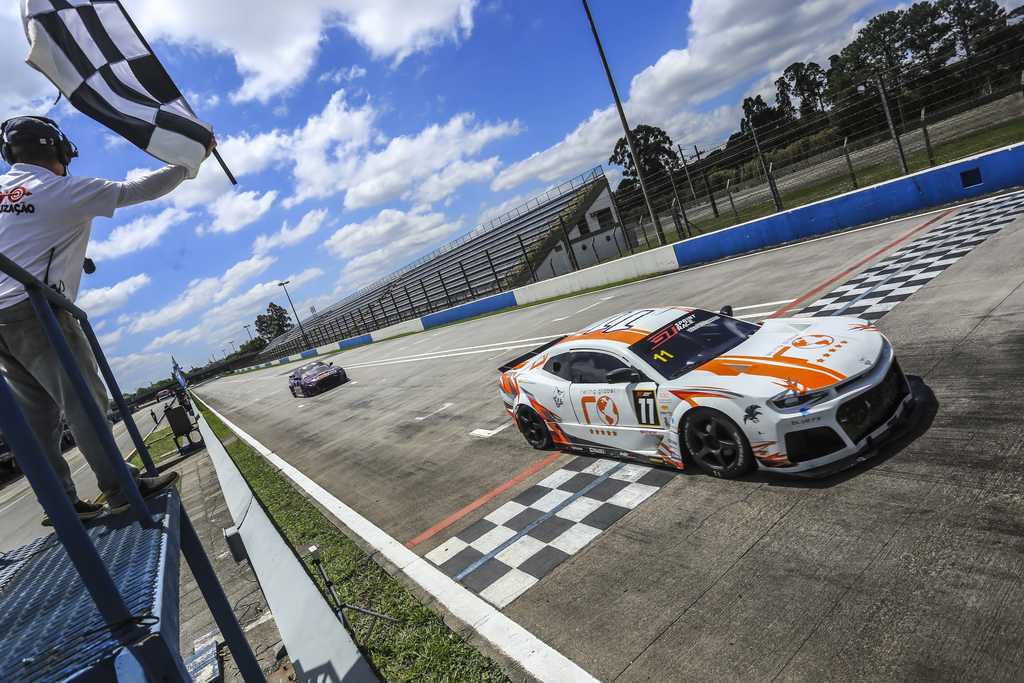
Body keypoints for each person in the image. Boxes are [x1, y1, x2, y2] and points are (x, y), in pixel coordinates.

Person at [0, 116, 213, 525]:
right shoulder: (60, 189)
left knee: (37, 420)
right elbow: (142, 189)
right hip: (38, 313)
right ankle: (121, 488)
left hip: (1, 322)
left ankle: (59, 505)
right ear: (58, 153)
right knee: (84, 402)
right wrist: (191, 160)